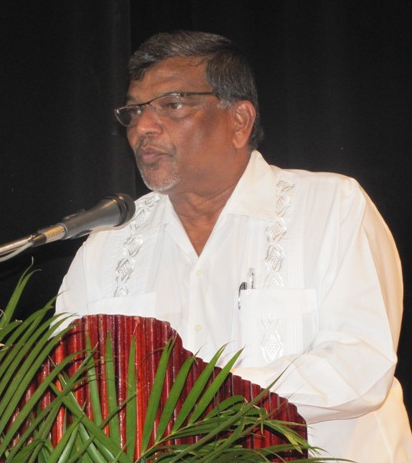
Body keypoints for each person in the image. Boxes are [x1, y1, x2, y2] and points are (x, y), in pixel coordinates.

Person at [55, 30, 412, 462]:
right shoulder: (109, 244)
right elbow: (67, 382)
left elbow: (360, 369)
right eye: (134, 111)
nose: (143, 128)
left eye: (172, 105)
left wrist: (194, 396)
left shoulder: (331, 207)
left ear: (239, 121)